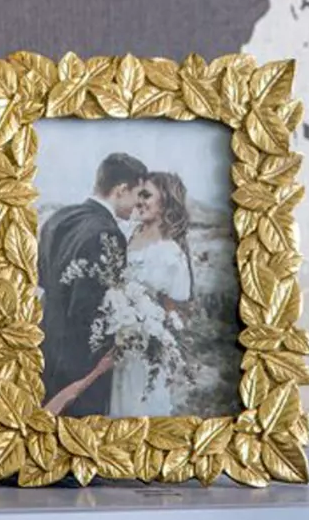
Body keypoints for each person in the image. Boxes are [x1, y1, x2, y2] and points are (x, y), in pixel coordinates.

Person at [46, 171, 194, 417]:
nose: (139, 201)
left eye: (146, 195)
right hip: (108, 349)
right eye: (139, 195)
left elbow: (173, 316)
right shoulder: (125, 232)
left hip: (138, 355)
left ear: (165, 202)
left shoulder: (170, 255)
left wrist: (140, 331)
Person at [39, 152, 147, 416]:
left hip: (46, 344)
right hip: (79, 365)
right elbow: (88, 310)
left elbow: (43, 278)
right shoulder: (108, 233)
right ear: (121, 190)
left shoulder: (58, 218)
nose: (138, 204)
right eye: (138, 194)